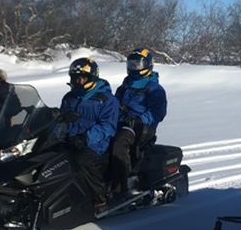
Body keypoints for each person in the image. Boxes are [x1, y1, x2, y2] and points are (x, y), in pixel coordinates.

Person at [58, 57, 120, 214]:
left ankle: (100, 199)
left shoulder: (106, 100)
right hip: (71, 139)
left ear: (92, 77)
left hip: (96, 144)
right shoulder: (70, 97)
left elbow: (108, 126)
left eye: (82, 78)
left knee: (81, 160)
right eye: (75, 78)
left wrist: (86, 138)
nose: (78, 82)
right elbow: (60, 119)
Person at [110, 47, 168, 197]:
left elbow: (157, 113)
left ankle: (127, 182)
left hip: (142, 127)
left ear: (148, 65)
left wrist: (139, 119)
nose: (134, 67)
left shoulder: (154, 89)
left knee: (119, 143)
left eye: (138, 64)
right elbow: (113, 105)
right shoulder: (124, 87)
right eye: (131, 64)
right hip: (121, 123)